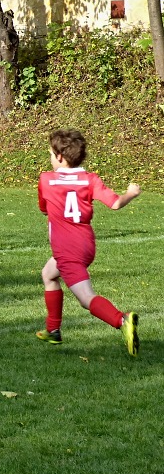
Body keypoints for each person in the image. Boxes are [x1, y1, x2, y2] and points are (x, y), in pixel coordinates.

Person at [35, 129, 141, 356]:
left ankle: (121, 320)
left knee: (86, 298)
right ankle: (53, 329)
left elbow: (44, 209)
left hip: (67, 249)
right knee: (49, 274)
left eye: (51, 155)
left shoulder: (46, 179)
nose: (51, 159)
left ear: (60, 157)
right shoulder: (90, 179)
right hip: (86, 244)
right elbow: (114, 204)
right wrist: (131, 193)